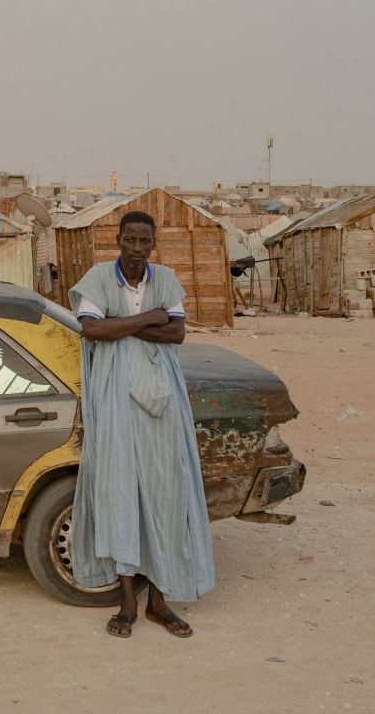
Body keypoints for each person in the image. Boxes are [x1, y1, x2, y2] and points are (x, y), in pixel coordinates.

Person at [67, 210, 214, 639]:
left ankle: (160, 601)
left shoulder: (164, 278)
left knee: (165, 492)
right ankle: (127, 601)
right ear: (118, 240)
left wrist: (124, 327)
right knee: (120, 492)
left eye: (143, 241)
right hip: (113, 398)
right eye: (129, 240)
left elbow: (178, 335)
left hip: (161, 401)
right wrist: (150, 318)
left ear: (152, 243)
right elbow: (91, 331)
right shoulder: (97, 276)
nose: (136, 248)